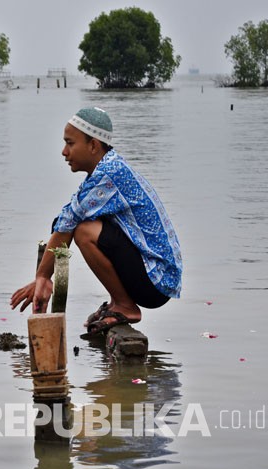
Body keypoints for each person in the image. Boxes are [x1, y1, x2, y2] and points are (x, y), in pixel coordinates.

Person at [10, 107, 182, 333]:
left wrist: (42, 276)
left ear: (93, 145)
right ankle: (117, 302)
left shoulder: (108, 174)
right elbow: (65, 218)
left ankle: (125, 306)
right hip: (157, 277)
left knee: (84, 231)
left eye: (70, 143)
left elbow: (67, 225)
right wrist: (44, 273)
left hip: (157, 281)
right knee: (83, 225)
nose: (64, 151)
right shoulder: (107, 169)